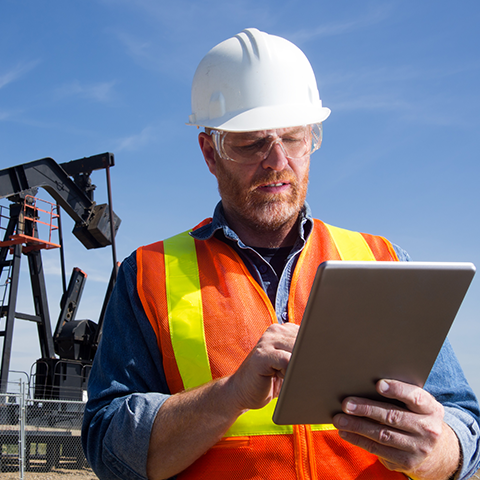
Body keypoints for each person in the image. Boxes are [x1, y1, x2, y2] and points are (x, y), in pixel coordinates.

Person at [82, 28, 480, 480]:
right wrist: (229, 395)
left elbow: (465, 426)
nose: (276, 161)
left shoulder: (383, 259)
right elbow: (107, 447)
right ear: (209, 152)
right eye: (250, 143)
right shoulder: (147, 276)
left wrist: (435, 452)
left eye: (292, 139)